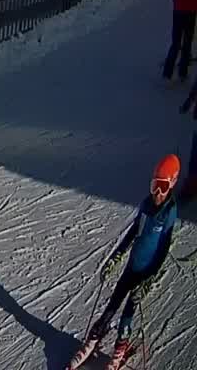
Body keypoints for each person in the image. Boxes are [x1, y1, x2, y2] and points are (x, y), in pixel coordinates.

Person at [70, 155, 180, 369]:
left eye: (162, 187)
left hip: (145, 273)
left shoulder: (169, 212)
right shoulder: (147, 204)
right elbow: (133, 232)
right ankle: (92, 342)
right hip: (132, 266)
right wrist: (117, 255)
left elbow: (163, 249)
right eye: (154, 185)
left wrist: (150, 279)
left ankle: (119, 352)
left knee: (127, 315)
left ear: (172, 183)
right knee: (112, 304)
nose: (157, 193)